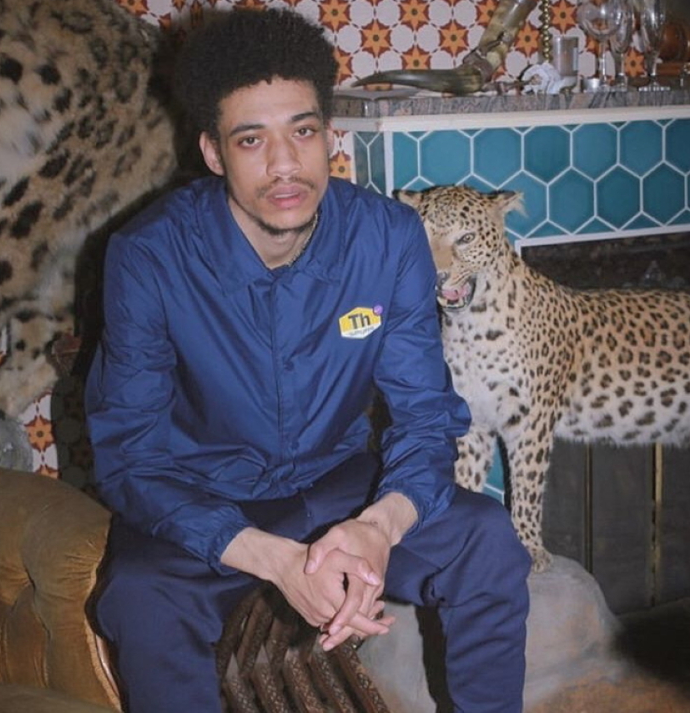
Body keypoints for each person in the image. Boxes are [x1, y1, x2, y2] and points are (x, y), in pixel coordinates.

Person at [85, 7, 531, 713]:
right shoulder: (148, 257)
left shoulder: (388, 238)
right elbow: (130, 459)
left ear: (331, 136)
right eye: (251, 140)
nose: (285, 165)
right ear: (212, 153)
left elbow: (425, 417)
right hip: (204, 496)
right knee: (141, 598)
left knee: (486, 538)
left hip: (336, 483)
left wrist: (378, 528)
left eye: (302, 131)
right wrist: (277, 559)